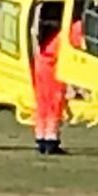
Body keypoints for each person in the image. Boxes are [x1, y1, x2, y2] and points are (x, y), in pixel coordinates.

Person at [31, 13, 67, 156]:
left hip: (41, 67)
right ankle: (51, 138)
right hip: (53, 70)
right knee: (54, 103)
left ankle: (41, 137)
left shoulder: (48, 38)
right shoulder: (64, 34)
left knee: (42, 103)